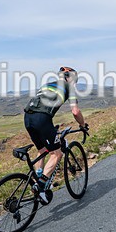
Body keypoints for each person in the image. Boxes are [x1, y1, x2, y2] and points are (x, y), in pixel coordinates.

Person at [23, 66, 87, 203]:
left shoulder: (47, 85)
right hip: (42, 119)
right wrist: (83, 125)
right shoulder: (69, 88)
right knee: (57, 154)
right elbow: (75, 112)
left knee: (42, 150)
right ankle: (40, 186)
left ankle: (38, 178)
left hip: (28, 118)